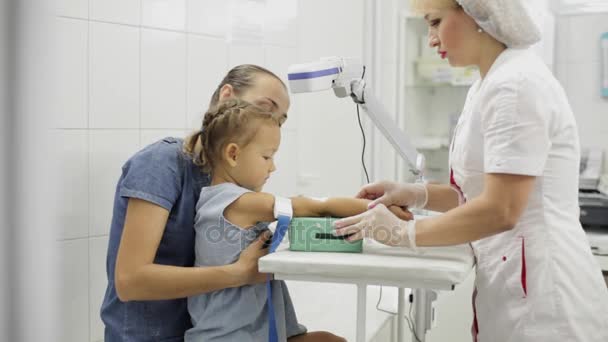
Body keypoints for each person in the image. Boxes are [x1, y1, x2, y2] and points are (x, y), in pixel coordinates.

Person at [333, 0, 608, 341]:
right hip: (514, 282)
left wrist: (404, 235)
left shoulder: (516, 84)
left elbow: (501, 209)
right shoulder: (488, 83)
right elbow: (476, 194)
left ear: (477, 12)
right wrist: (414, 193)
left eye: (435, 22)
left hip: (548, 297)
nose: (431, 39)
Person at [184, 99, 411, 341]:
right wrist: (382, 210)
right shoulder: (238, 201)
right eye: (266, 157)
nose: (273, 167)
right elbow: (318, 207)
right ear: (233, 154)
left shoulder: (218, 200)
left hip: (259, 332)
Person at [100, 65, 292, 341]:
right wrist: (239, 274)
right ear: (227, 96)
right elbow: (129, 282)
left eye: (279, 119)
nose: (270, 122)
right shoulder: (161, 163)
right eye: (265, 107)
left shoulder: (229, 181)